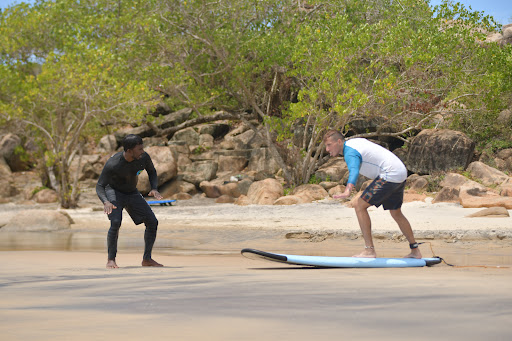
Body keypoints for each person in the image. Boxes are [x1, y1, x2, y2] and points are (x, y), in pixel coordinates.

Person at [323, 129, 422, 259]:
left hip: (389, 173)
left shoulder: (349, 152)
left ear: (339, 141)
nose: (327, 149)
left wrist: (347, 189)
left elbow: (353, 170)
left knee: (359, 205)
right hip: (400, 172)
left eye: (329, 145)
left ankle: (369, 250)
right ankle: (415, 251)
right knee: (396, 212)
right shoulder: (355, 142)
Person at [96, 134, 164, 268]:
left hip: (131, 191)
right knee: (115, 222)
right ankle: (111, 260)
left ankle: (147, 259)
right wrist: (106, 201)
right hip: (113, 192)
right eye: (139, 149)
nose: (142, 151)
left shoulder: (143, 157)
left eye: (142, 148)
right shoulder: (113, 163)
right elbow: (99, 185)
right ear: (129, 151)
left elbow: (152, 171)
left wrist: (154, 188)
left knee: (152, 222)